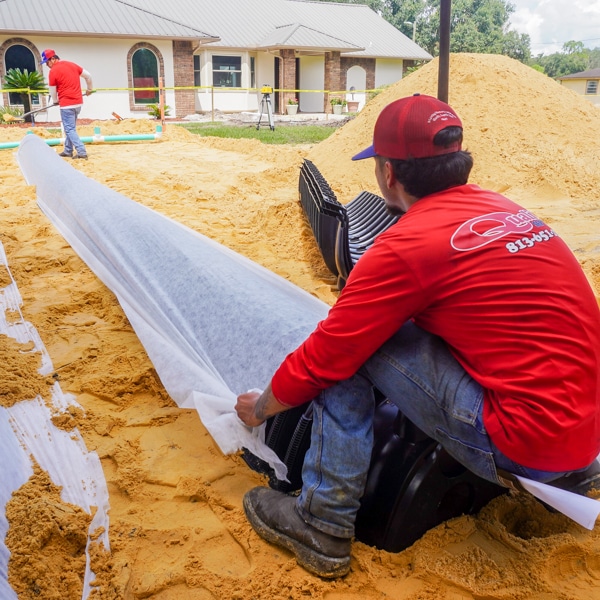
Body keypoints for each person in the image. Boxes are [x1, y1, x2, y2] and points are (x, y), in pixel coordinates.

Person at [235, 93, 600, 579]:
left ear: (389, 173)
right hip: (584, 434)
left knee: (356, 345)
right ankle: (576, 469)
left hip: (524, 442)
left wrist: (260, 410)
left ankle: (322, 518)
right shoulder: (507, 211)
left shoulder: (405, 245)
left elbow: (325, 358)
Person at [41, 48, 93, 160]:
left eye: (47, 62)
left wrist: (55, 101)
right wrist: (89, 89)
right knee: (71, 128)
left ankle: (81, 151)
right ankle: (68, 150)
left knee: (69, 129)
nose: (47, 65)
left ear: (53, 59)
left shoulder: (53, 71)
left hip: (67, 104)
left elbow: (52, 91)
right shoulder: (72, 65)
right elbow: (88, 76)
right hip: (78, 103)